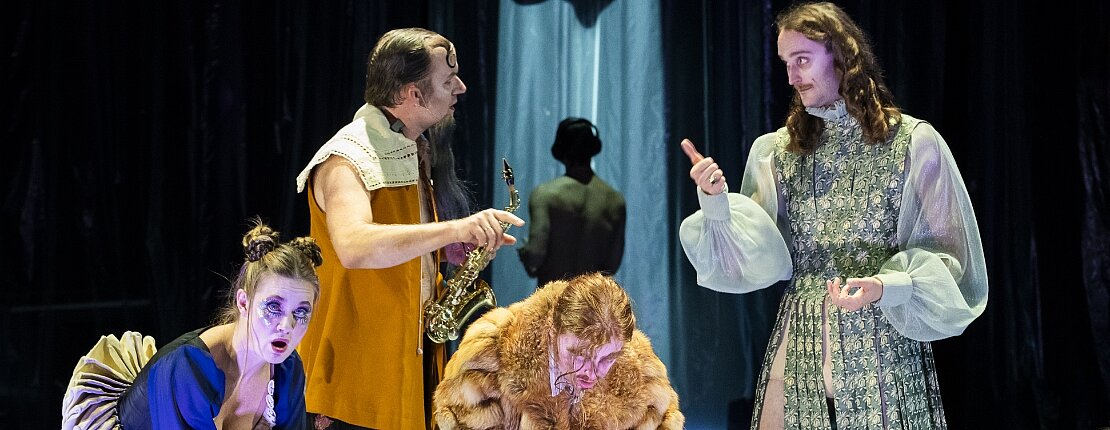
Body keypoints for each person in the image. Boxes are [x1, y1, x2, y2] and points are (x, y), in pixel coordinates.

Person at [678, 2, 988, 429]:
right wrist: (715, 202)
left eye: (802, 60)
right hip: (801, 343)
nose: (792, 76)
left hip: (883, 344)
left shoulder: (913, 143)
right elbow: (750, 261)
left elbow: (953, 265)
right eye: (786, 63)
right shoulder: (777, 152)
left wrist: (887, 285)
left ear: (841, 56)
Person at [294, 28, 525, 429]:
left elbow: (394, 240)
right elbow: (354, 245)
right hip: (355, 379)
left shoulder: (411, 149)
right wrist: (454, 229)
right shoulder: (346, 158)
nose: (461, 87)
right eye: (448, 80)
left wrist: (442, 252)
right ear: (412, 94)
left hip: (407, 367)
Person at [62, 221, 323, 429]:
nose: (287, 325)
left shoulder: (288, 371)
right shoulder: (189, 368)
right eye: (274, 307)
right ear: (243, 302)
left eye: (301, 312)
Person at [432, 272, 684, 429]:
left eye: (607, 359)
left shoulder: (642, 374)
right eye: (579, 355)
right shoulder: (490, 353)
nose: (591, 373)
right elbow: (458, 420)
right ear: (552, 331)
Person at [517, 117, 626, 287]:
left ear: (560, 150)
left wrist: (525, 253)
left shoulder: (545, 195)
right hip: (591, 299)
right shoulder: (615, 201)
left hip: (553, 298)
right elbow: (612, 266)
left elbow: (535, 256)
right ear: (594, 148)